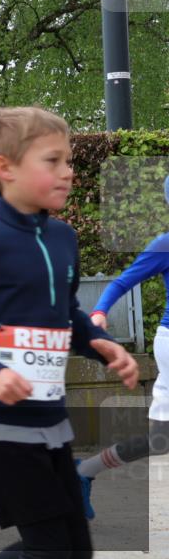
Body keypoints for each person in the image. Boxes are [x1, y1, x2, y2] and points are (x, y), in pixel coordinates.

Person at [0, 106, 139, 559]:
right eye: (52, 161)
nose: (68, 172)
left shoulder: (63, 238)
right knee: (48, 551)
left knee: (74, 552)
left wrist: (100, 343)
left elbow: (64, 313)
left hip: (48, 413)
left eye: (69, 161)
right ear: (6, 168)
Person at [75, 174, 169, 518]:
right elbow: (122, 282)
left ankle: (86, 470)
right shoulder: (164, 245)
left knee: (161, 440)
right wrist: (99, 311)